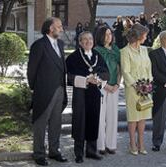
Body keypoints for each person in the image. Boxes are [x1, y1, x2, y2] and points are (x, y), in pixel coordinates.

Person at [27, 17, 68, 166]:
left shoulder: (61, 44)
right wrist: (35, 89)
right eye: (59, 26)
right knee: (40, 123)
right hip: (43, 91)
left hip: (60, 89)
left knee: (56, 123)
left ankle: (54, 151)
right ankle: (38, 154)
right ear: (51, 28)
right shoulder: (39, 45)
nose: (62, 29)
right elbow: (31, 70)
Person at [66, 31, 109, 163]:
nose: (88, 41)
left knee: (93, 120)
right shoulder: (73, 57)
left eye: (90, 39)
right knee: (79, 122)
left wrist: (98, 79)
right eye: (84, 39)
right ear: (80, 42)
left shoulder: (97, 55)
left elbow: (106, 73)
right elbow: (69, 77)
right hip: (80, 94)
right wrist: (86, 80)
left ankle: (91, 151)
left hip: (94, 94)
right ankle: (78, 152)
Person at [120, 23, 152, 155]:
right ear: (139, 35)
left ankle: (141, 142)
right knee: (133, 116)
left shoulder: (144, 50)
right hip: (133, 89)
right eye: (145, 35)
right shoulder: (125, 51)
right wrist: (137, 85)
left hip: (146, 88)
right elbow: (125, 72)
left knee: (143, 115)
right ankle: (132, 142)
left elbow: (148, 68)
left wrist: (148, 83)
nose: (146, 37)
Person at [94, 26, 122, 155]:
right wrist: (105, 85)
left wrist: (117, 84)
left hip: (114, 87)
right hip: (101, 87)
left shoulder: (116, 50)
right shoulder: (97, 50)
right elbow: (94, 71)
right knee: (100, 116)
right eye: (105, 35)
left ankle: (111, 144)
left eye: (110, 34)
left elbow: (119, 69)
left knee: (112, 116)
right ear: (100, 36)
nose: (108, 37)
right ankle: (100, 145)